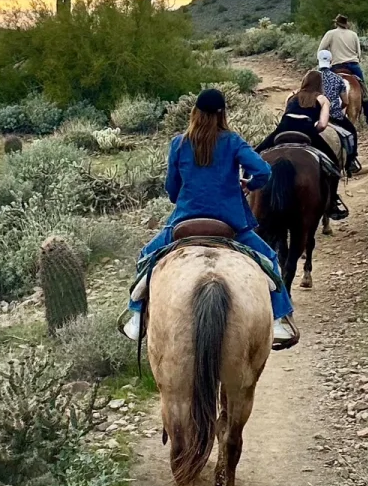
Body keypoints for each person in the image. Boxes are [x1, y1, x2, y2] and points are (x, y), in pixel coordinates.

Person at [122, 88, 298, 347]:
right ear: (222, 114)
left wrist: (183, 196)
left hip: (186, 219)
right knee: (269, 259)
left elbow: (172, 188)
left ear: (195, 112)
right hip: (229, 223)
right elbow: (263, 170)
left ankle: (136, 314)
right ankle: (279, 320)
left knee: (146, 256)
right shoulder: (232, 141)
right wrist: (249, 184)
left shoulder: (179, 143)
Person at [259, 69, 348, 219]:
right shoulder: (322, 99)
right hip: (306, 130)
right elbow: (322, 125)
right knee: (333, 165)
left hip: (284, 127)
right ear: (320, 84)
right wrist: (313, 128)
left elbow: (285, 114)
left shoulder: (292, 95)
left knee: (256, 153)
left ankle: (244, 191)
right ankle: (332, 201)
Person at [317, 14, 368, 132]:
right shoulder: (354, 34)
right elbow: (359, 54)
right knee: (365, 95)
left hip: (336, 66)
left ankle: (320, 117)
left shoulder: (330, 34)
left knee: (323, 88)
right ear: (346, 24)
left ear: (336, 23)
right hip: (354, 66)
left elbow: (321, 51)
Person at [317, 48, 360, 173]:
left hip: (316, 115)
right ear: (331, 61)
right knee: (352, 132)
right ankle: (351, 161)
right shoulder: (337, 79)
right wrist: (338, 109)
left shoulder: (313, 77)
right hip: (334, 115)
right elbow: (346, 101)